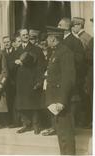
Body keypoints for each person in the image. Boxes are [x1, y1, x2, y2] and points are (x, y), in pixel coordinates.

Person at [45, 26, 76, 155]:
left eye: (47, 37)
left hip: (61, 100)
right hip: (55, 99)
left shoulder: (65, 52)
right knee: (61, 133)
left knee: (65, 133)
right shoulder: (56, 52)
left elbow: (68, 78)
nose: (46, 40)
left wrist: (62, 101)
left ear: (53, 38)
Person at [13, 29, 44, 134]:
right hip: (20, 81)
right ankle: (26, 124)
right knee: (21, 103)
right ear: (20, 37)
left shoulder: (36, 49)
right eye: (24, 35)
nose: (26, 36)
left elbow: (41, 66)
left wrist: (39, 80)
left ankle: (36, 125)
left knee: (34, 103)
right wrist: (16, 63)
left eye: (27, 34)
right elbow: (11, 66)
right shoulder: (16, 50)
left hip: (32, 79)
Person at [57, 17, 86, 128]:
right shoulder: (60, 40)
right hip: (61, 78)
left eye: (60, 25)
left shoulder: (75, 41)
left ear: (66, 27)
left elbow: (80, 59)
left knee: (72, 102)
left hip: (72, 78)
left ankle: (73, 126)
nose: (58, 27)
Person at [71, 17, 93, 127]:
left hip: (85, 72)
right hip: (84, 72)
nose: (72, 27)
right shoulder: (84, 37)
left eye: (74, 25)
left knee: (85, 96)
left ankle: (87, 120)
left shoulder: (85, 38)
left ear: (79, 25)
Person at [1, 36, 18, 127]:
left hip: (14, 80)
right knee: (6, 101)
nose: (6, 44)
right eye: (4, 42)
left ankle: (15, 121)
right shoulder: (2, 53)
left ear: (11, 42)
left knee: (14, 101)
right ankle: (7, 121)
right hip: (5, 81)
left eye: (8, 42)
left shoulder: (16, 52)